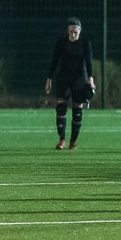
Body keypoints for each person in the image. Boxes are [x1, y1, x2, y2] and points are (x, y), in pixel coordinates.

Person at [45, 17, 96, 150]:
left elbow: (89, 62)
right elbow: (54, 61)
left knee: (77, 110)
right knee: (61, 107)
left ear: (80, 31)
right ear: (68, 31)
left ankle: (73, 141)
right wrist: (49, 79)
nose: (73, 34)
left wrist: (91, 79)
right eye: (71, 32)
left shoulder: (85, 43)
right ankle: (62, 140)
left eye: (76, 32)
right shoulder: (61, 43)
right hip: (63, 78)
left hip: (79, 80)